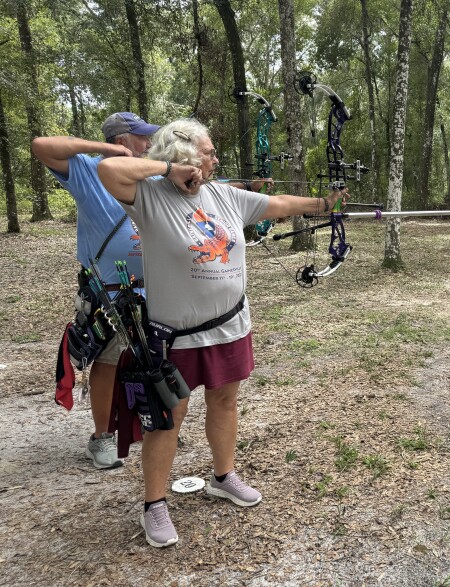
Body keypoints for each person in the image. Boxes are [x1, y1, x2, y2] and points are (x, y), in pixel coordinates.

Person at [96, 118, 346, 548]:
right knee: (168, 418)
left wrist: (323, 204)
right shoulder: (150, 197)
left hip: (231, 326)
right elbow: (107, 170)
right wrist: (165, 170)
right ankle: (154, 504)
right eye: (208, 152)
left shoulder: (225, 195)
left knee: (226, 401)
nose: (215, 159)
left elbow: (278, 203)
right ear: (184, 157)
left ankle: (224, 475)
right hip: (174, 336)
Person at [32, 112, 160, 469]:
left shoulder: (147, 173)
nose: (148, 144)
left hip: (152, 289)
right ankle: (102, 437)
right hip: (110, 293)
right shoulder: (88, 170)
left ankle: (152, 425)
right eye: (141, 137)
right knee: (107, 363)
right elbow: (41, 146)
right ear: (122, 140)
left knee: (152, 360)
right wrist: (107, 150)